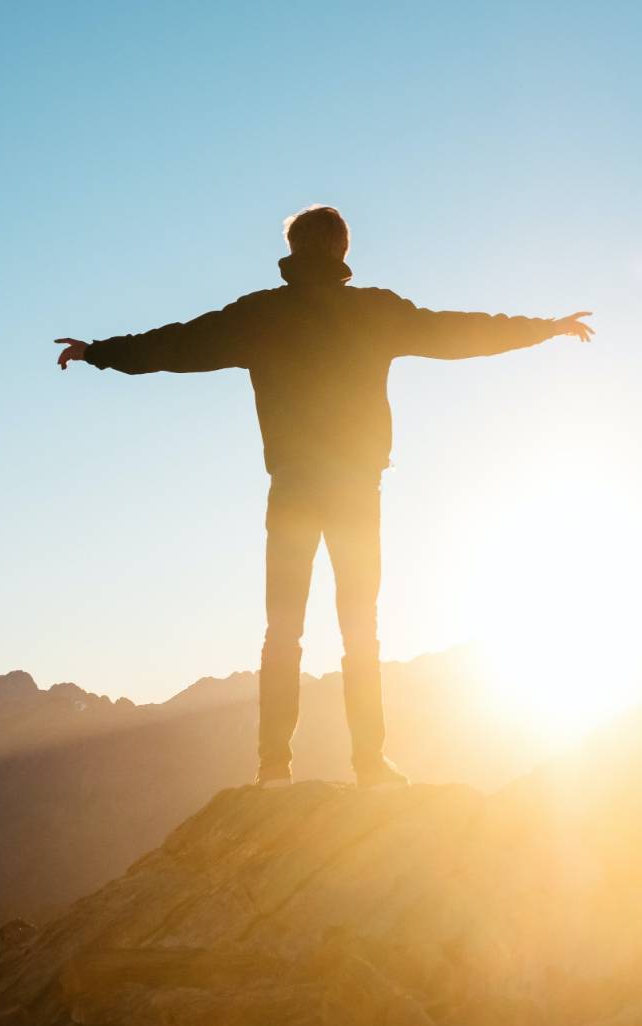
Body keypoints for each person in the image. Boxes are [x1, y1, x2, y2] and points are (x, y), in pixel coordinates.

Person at [56, 206, 592, 788]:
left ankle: (272, 769)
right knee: (360, 626)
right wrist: (545, 327)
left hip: (292, 487)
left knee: (283, 629)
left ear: (292, 248)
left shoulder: (261, 314)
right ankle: (369, 765)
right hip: (357, 488)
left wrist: (98, 351)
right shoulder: (374, 312)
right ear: (342, 250)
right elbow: (461, 331)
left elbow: (177, 345)